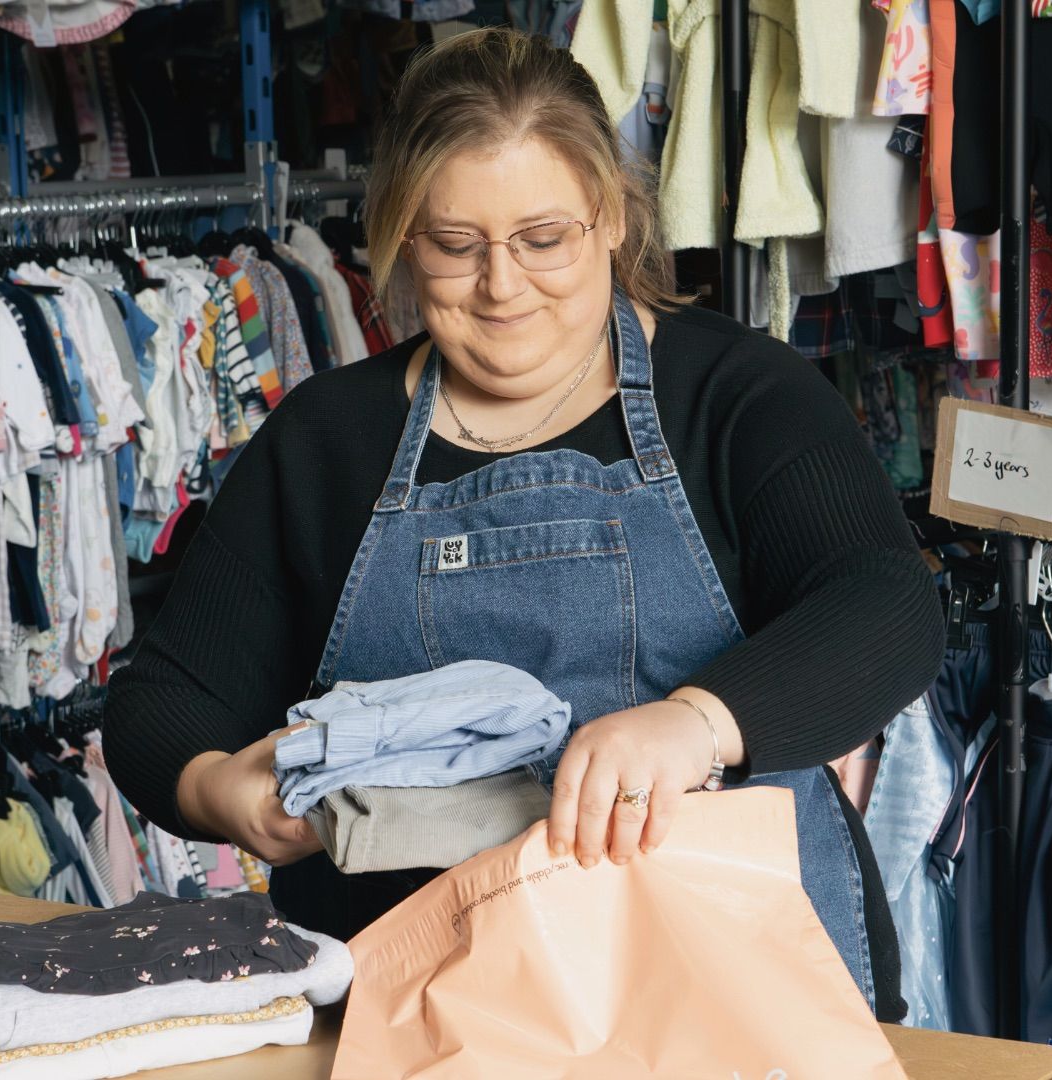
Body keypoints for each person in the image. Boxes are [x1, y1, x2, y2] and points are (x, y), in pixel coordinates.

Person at [104, 27, 943, 1020]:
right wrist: (217, 789)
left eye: (543, 239)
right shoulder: (328, 441)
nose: (503, 287)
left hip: (737, 1001)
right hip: (418, 1018)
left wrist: (696, 724)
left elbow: (888, 606)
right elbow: (163, 697)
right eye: (456, 246)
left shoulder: (738, 398)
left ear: (612, 219)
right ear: (403, 237)